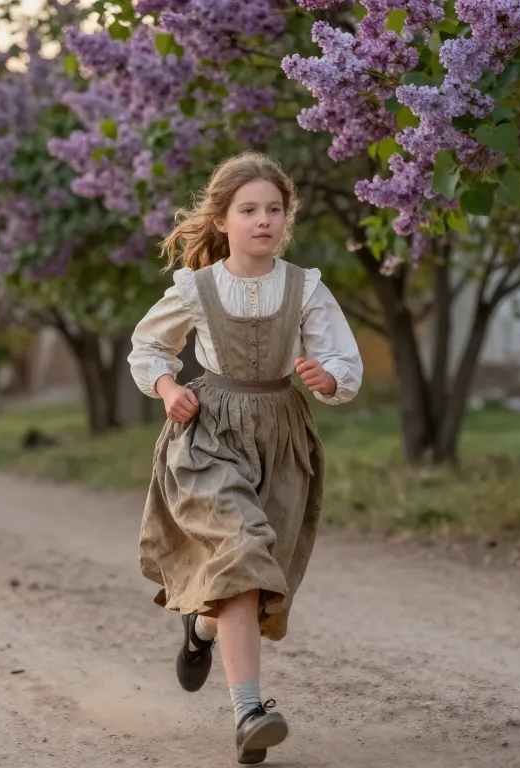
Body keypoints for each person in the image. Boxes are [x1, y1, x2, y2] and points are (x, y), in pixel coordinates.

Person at [128, 151, 363, 764]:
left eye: (274, 209)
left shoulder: (305, 286)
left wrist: (326, 378)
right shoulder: (196, 288)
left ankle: (202, 628)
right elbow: (149, 347)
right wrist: (169, 388)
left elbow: (344, 361)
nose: (264, 220)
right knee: (240, 551)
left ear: (287, 220)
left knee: (256, 576)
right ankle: (249, 713)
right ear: (224, 220)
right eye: (249, 210)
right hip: (209, 436)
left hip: (283, 435)